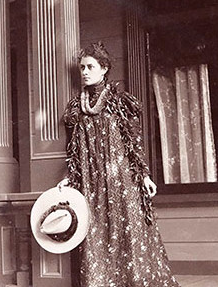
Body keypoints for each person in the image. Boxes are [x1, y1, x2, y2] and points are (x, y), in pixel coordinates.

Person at [58, 41, 181, 287]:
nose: (84, 72)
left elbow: (133, 143)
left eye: (90, 67)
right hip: (92, 183)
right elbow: (74, 150)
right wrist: (69, 178)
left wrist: (144, 175)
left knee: (127, 234)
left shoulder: (119, 103)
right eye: (82, 67)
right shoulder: (77, 109)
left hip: (120, 180)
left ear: (104, 69)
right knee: (96, 233)